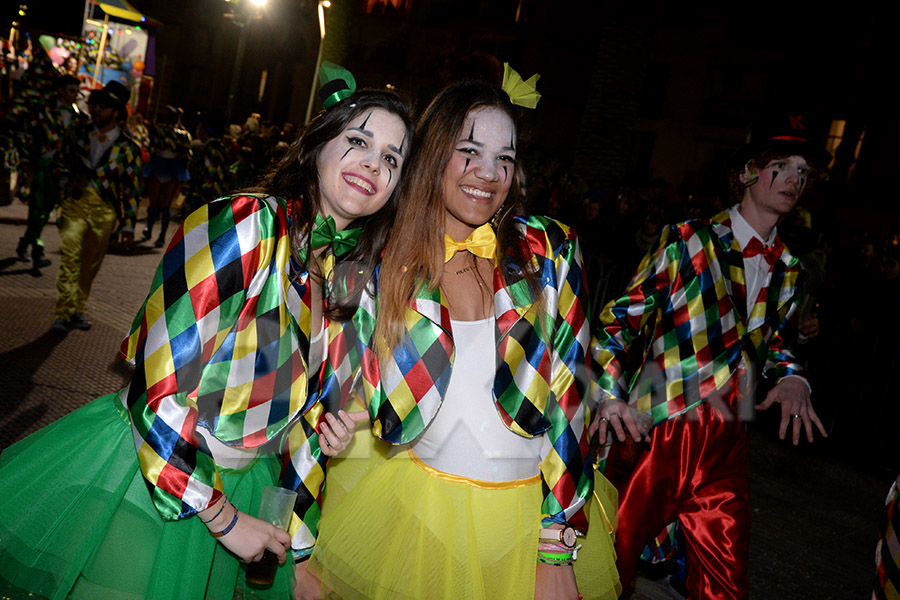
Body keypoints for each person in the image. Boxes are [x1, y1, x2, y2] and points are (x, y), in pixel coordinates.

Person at [0, 75, 414, 599]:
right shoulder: (241, 226)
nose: (374, 164)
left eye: (392, 159)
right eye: (358, 140)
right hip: (156, 473)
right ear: (317, 146)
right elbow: (158, 388)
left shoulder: (353, 280)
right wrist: (222, 516)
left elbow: (310, 427)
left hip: (248, 488)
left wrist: (301, 540)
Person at [305, 74, 619, 600]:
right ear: (432, 157)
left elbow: (572, 391)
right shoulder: (382, 260)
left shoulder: (548, 250)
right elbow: (324, 391)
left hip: (528, 524)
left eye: (506, 158)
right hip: (416, 517)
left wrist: (557, 543)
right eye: (468, 151)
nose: (488, 174)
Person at [591, 110, 830, 598]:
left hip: (729, 440)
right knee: (605, 568)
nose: (793, 180)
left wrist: (793, 378)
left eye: (803, 172)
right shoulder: (688, 241)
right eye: (781, 165)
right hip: (660, 428)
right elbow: (619, 321)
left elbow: (777, 344)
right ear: (747, 172)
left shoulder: (789, 269)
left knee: (727, 584)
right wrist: (610, 395)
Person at [51, 81, 142, 332]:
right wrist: (66, 180)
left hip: (106, 210)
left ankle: (78, 308)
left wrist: (129, 226)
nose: (96, 110)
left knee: (90, 262)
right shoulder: (77, 134)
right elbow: (58, 162)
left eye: (103, 106)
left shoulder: (129, 149)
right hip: (75, 204)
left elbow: (132, 190)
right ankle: (63, 311)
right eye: (94, 104)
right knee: (70, 256)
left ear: (116, 112)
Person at [10, 72, 85, 269]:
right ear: (61, 90)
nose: (75, 95)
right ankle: (37, 251)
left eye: (77, 91)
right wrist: (26, 159)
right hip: (42, 167)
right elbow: (27, 134)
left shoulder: (80, 119)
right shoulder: (43, 111)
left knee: (46, 210)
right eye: (71, 90)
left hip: (63, 171)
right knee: (38, 210)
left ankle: (26, 243)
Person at [143, 105, 192, 247]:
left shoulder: (158, 131)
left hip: (158, 164)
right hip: (173, 168)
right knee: (166, 204)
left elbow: (151, 147)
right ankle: (161, 235)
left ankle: (150, 228)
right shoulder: (183, 134)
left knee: (154, 201)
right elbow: (186, 154)